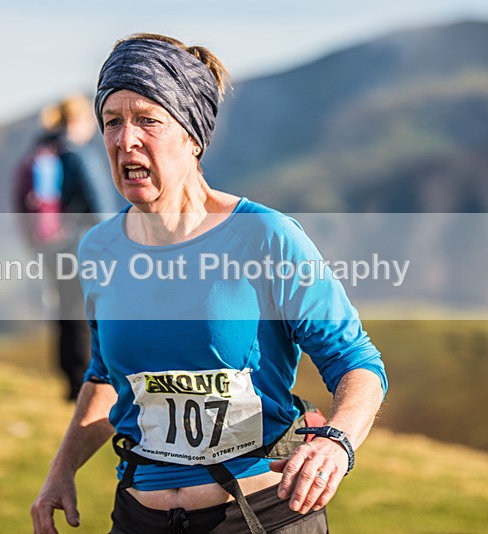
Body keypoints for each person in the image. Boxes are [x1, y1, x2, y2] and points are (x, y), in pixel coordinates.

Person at [30, 34, 387, 533]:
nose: (124, 140)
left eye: (147, 120)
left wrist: (336, 442)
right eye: (112, 121)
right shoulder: (99, 249)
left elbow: (356, 361)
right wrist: (61, 469)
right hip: (139, 519)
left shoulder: (266, 236)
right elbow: (105, 374)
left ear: (192, 136)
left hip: (259, 515)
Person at [15, 94, 124, 400]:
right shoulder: (77, 155)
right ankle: (84, 383)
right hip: (80, 244)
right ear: (80, 121)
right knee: (84, 312)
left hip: (52, 246)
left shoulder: (44, 149)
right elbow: (98, 205)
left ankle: (70, 380)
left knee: (66, 309)